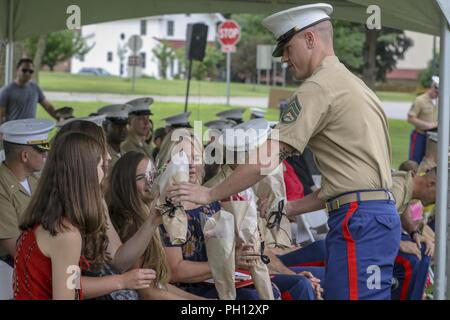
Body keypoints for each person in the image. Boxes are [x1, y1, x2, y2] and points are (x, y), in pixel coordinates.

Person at [168, 3, 399, 300]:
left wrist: (208, 194)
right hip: (373, 216)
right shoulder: (355, 85)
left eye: (288, 48)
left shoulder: (318, 88)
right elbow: (348, 183)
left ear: (310, 39)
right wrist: (289, 208)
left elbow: (266, 158)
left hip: (360, 219)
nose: (285, 59)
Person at [106, 151, 205, 300]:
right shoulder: (129, 223)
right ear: (125, 183)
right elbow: (147, 292)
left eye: (152, 174)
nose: (150, 181)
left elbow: (158, 284)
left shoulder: (147, 215)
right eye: (141, 177)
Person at [0, 119, 54, 264]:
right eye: (42, 149)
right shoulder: (2, 187)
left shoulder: (35, 181)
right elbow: (16, 249)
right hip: (10, 269)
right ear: (25, 156)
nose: (46, 154)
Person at [390, 168, 436, 300]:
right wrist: (398, 243)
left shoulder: (409, 184)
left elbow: (402, 210)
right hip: (366, 239)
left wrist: (414, 232)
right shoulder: (397, 189)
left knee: (424, 252)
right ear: (431, 184)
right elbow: (375, 221)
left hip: (385, 235)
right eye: (438, 194)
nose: (436, 201)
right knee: (410, 260)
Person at [0, 58, 58, 124]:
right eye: (24, 70)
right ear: (17, 70)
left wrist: (60, 118)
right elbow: (1, 116)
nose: (27, 73)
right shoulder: (6, 91)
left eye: (31, 71)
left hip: (31, 131)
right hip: (13, 132)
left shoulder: (35, 88)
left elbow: (48, 107)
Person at [407, 76, 439, 163]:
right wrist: (426, 125)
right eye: (436, 92)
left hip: (434, 137)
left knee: (430, 163)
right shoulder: (420, 100)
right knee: (415, 162)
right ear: (432, 87)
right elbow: (410, 118)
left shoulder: (441, 101)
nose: (437, 94)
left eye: (439, 93)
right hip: (420, 135)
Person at [97, 104, 130, 171]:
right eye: (118, 126)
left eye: (125, 125)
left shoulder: (124, 153)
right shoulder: (101, 154)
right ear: (105, 127)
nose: (123, 129)